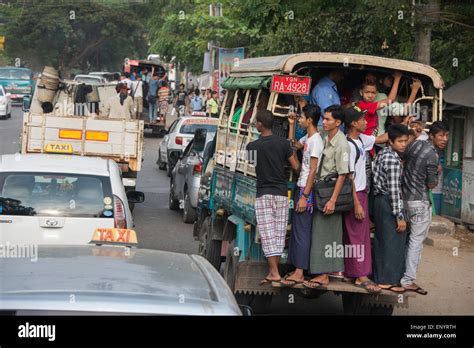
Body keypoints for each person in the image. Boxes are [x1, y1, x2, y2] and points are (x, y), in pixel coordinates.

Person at [342, 107, 394, 294]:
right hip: (354, 195)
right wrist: (356, 202)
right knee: (357, 234)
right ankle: (360, 275)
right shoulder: (347, 146)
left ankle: (353, 271)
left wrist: (402, 127)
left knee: (358, 233)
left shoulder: (362, 139)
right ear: (354, 124)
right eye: (363, 120)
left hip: (362, 193)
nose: (366, 122)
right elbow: (348, 177)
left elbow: (382, 138)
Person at [246, 109, 300, 284]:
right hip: (282, 193)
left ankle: (274, 272)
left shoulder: (252, 146)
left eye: (256, 122)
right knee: (278, 234)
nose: (255, 124)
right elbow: (296, 166)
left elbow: (252, 164)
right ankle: (273, 272)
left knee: (268, 234)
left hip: (264, 193)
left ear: (260, 125)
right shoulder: (283, 144)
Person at [303, 105, 350, 289]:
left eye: (328, 119)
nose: (324, 122)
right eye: (324, 118)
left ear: (338, 123)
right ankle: (320, 272)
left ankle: (324, 274)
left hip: (331, 191)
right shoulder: (324, 137)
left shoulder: (342, 144)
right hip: (321, 189)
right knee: (320, 232)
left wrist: (333, 200)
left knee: (327, 233)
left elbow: (342, 174)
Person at [400, 121, 449, 295]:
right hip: (419, 202)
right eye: (441, 135)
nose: (445, 139)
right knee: (416, 241)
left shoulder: (414, 145)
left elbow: (404, 162)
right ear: (432, 136)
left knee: (406, 240)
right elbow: (431, 183)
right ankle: (407, 279)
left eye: (446, 135)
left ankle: (400, 274)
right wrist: (438, 171)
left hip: (404, 200)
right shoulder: (433, 155)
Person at [281, 104, 323, 287]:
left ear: (310, 120)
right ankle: (297, 269)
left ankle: (300, 272)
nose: (299, 120)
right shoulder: (308, 137)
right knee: (298, 229)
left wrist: (305, 196)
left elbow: (313, 171)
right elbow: (293, 146)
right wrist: (291, 126)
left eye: (301, 118)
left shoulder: (316, 142)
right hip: (302, 186)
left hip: (307, 189)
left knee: (303, 230)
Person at [372, 124, 411, 293]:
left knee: (382, 240)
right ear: (391, 141)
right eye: (400, 141)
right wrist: (400, 216)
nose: (403, 144)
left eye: (405, 141)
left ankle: (380, 277)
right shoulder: (393, 161)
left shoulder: (383, 153)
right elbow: (394, 191)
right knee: (393, 242)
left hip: (379, 202)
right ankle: (388, 281)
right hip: (389, 202)